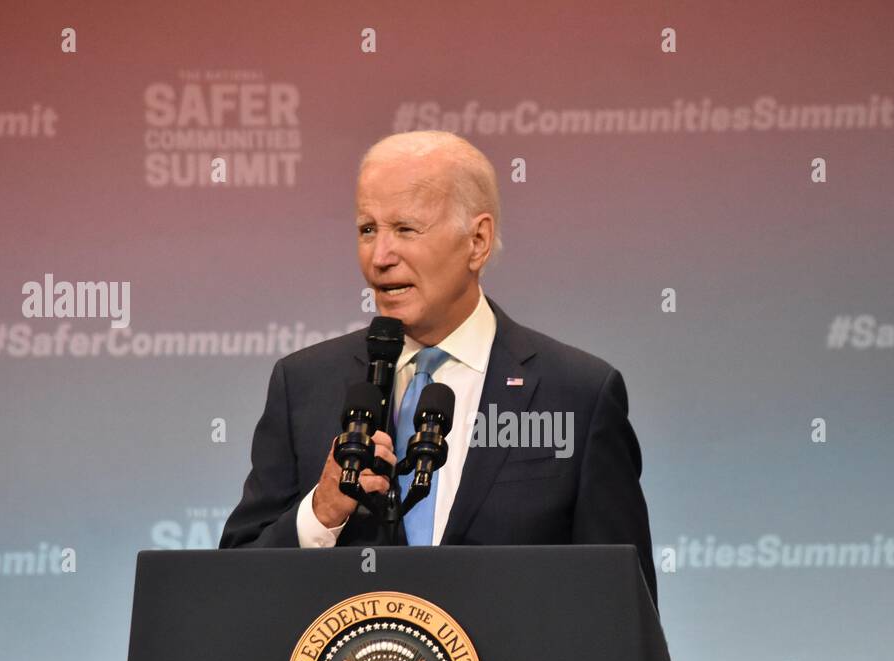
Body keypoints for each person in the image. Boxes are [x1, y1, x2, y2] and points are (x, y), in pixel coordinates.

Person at [219, 130, 657, 606]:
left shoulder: (577, 394)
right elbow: (236, 586)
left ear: (477, 241)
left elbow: (623, 611)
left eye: (406, 229)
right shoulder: (304, 384)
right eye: (368, 229)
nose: (380, 258)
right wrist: (320, 514)